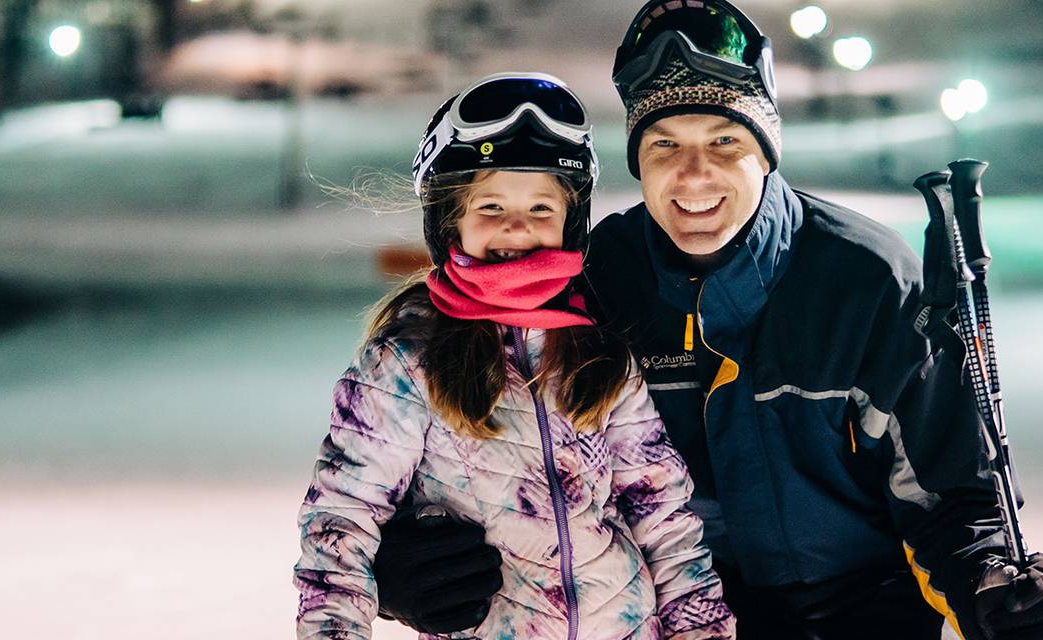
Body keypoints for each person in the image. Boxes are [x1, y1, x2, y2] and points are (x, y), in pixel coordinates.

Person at [368, 3, 1043, 639]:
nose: (693, 174)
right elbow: (470, 431)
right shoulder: (599, 281)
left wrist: (992, 583)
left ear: (765, 152)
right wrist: (400, 560)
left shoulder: (864, 280)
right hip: (676, 613)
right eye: (664, 145)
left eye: (723, 143)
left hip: (864, 610)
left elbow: (950, 493)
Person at [294, 73, 736, 640]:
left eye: (542, 207)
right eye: (491, 204)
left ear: (571, 223)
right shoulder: (406, 363)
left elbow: (664, 518)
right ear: (449, 220)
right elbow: (342, 521)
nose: (517, 227)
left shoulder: (599, 354)